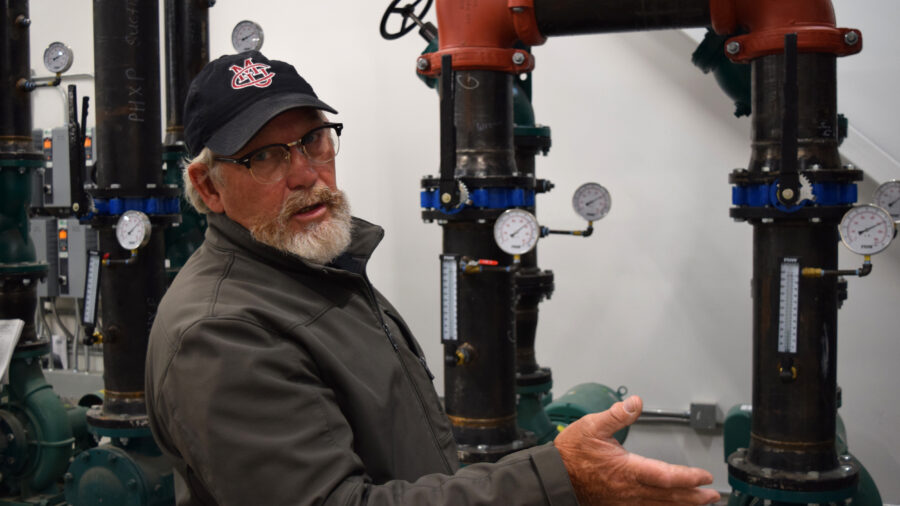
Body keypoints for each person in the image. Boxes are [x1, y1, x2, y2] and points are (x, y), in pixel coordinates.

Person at [145, 50, 721, 506]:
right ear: (209, 188)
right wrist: (557, 479)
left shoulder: (317, 270)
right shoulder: (220, 334)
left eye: (314, 139)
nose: (305, 173)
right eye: (265, 157)